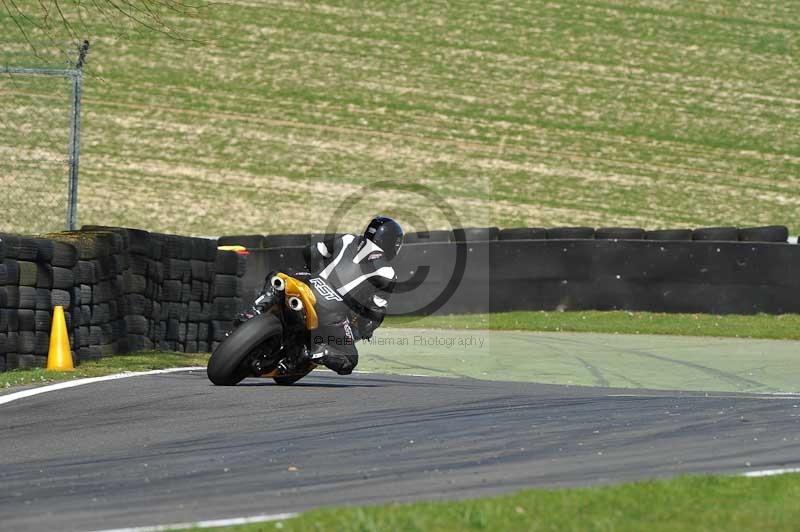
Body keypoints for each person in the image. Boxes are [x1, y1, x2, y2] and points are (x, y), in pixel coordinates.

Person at [276, 216, 403, 375]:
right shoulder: (388, 273)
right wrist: (364, 331)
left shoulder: (348, 239)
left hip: (308, 284)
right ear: (391, 243)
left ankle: (256, 309)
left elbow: (311, 250)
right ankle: (317, 352)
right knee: (349, 360)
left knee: (278, 277)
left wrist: (312, 274)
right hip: (331, 310)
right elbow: (376, 312)